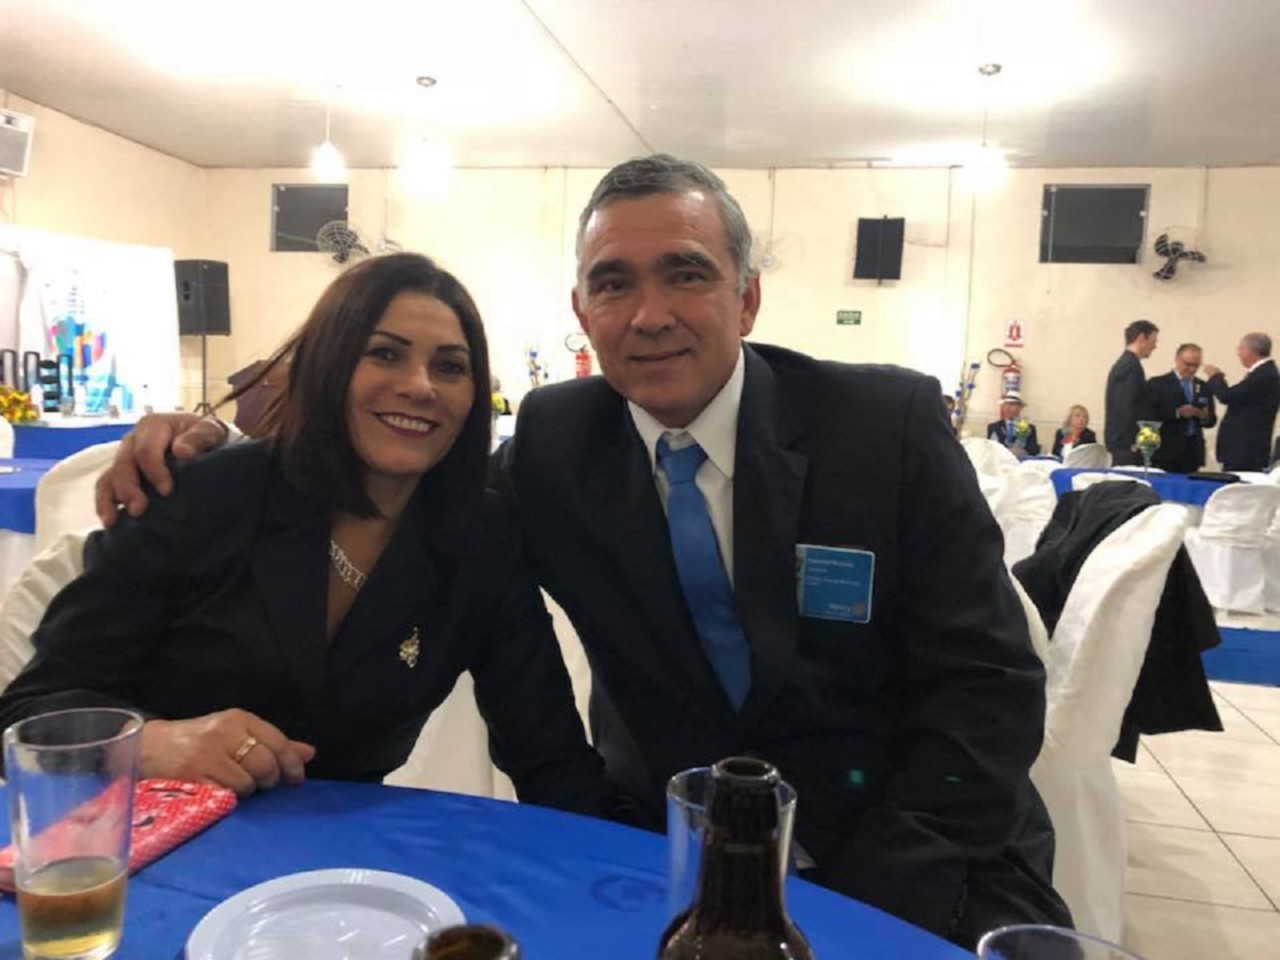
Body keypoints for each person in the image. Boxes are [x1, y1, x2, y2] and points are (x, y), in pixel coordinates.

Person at [95, 156, 1069, 946]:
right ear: (582, 313)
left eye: (685, 272)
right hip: (666, 855)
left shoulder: (880, 428)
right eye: (614, 283)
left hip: (914, 852)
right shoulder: (558, 443)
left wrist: (868, 895)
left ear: (747, 298)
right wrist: (210, 441)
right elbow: (405, 473)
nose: (648, 313)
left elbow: (986, 685)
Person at [0, 253, 613, 818]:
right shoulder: (200, 495)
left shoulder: (481, 536)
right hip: (154, 847)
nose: (421, 385)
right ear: (329, 364)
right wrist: (153, 745)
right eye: (385, 354)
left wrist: (632, 869)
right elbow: (30, 711)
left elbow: (548, 755)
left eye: (450, 366)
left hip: (341, 866)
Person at [1202, 333, 1280, 472]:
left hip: (1245, 451)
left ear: (1252, 351)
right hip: (1244, 450)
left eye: (1241, 349)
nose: (1238, 353)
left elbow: (1227, 396)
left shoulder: (1263, 375)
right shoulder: (1264, 373)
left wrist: (1215, 377)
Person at [1147, 343, 1216, 473]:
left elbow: (1211, 420)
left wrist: (1203, 416)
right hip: (1165, 452)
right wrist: (1177, 413)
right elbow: (1149, 415)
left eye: (1196, 365)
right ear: (1177, 360)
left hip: (1192, 452)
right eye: (1188, 364)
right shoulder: (1158, 384)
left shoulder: (1203, 386)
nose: (1191, 369)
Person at [1104, 320, 1159, 466]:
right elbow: (1125, 407)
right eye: (1153, 341)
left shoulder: (1129, 364)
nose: (1155, 346)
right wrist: (1132, 442)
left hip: (1127, 444)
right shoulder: (1130, 367)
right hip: (1127, 446)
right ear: (1141, 338)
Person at [985, 391, 1041, 456]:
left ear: (1020, 407)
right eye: (1005, 404)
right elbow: (989, 450)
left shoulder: (1029, 428)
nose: (1007, 408)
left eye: (1011, 404)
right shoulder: (994, 427)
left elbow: (1033, 451)